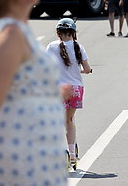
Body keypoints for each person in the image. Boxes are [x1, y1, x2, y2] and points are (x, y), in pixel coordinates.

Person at [0, 0, 68, 185]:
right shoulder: (10, 33)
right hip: (17, 165)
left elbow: (14, 87)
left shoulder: (18, 28)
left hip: (33, 164)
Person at [46, 18, 91, 164]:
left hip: (58, 89)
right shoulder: (79, 47)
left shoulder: (51, 47)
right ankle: (72, 154)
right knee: (69, 120)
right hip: (76, 89)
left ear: (58, 33)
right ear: (73, 32)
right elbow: (87, 68)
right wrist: (85, 71)